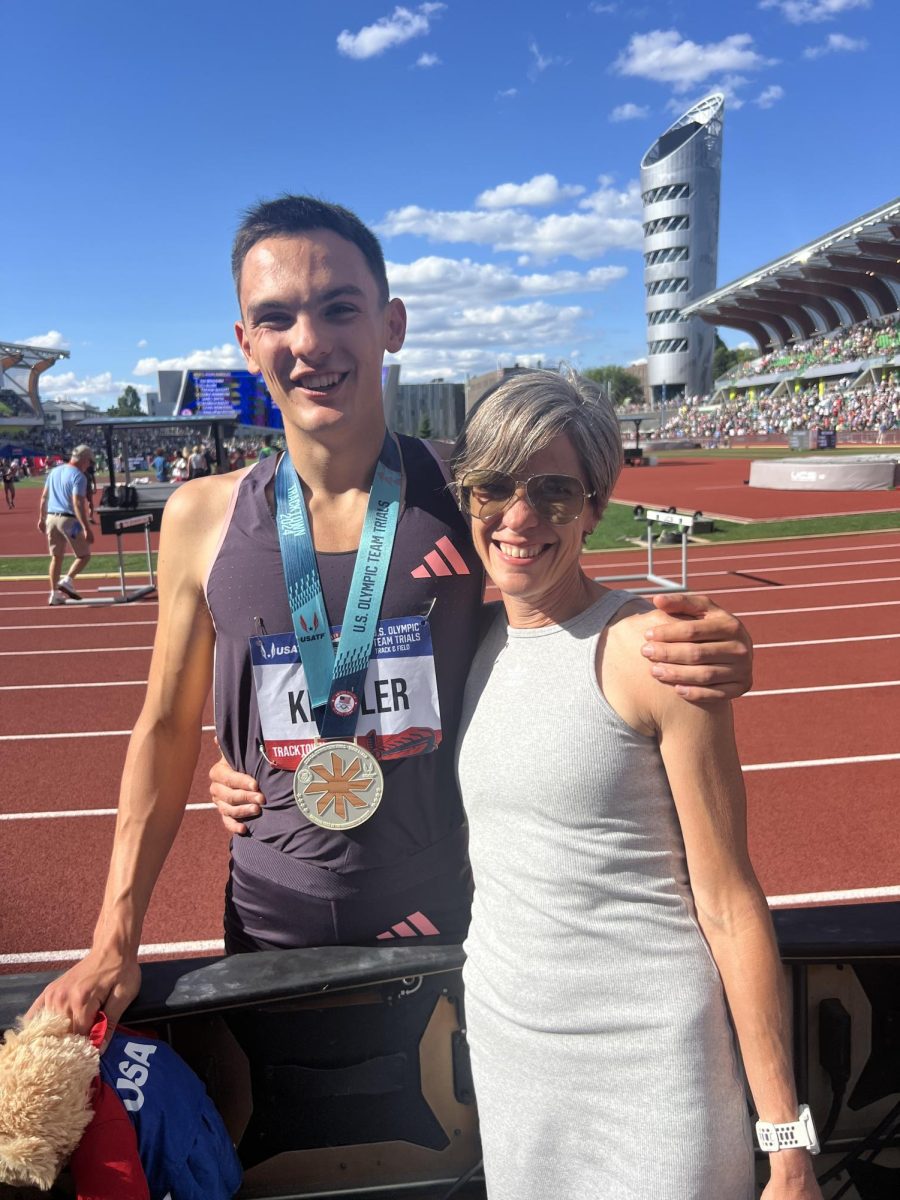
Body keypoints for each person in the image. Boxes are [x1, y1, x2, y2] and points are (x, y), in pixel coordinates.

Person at [31, 196, 753, 1039]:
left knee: (444, 1154)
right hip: (268, 910)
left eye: (340, 307)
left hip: (444, 909)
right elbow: (161, 726)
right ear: (245, 343)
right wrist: (115, 935)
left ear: (392, 324)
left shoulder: (464, 493)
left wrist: (693, 639)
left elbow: (566, 612)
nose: (309, 342)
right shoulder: (201, 517)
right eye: (277, 318)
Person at [447, 370, 820, 1200]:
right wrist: (238, 772)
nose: (518, 517)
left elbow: (728, 900)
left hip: (655, 1071)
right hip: (515, 1062)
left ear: (593, 505)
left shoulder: (655, 651)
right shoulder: (460, 643)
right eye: (495, 486)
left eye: (552, 491)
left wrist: (788, 1148)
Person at [37, 444, 95, 605]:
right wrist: (86, 527)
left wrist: (41, 519)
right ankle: (67, 580)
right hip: (69, 520)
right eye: (89, 462)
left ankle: (54, 594)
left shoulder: (54, 471)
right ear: (83, 460)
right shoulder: (79, 477)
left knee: (56, 557)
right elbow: (77, 502)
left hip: (51, 518)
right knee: (84, 555)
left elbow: (44, 497)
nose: (89, 465)